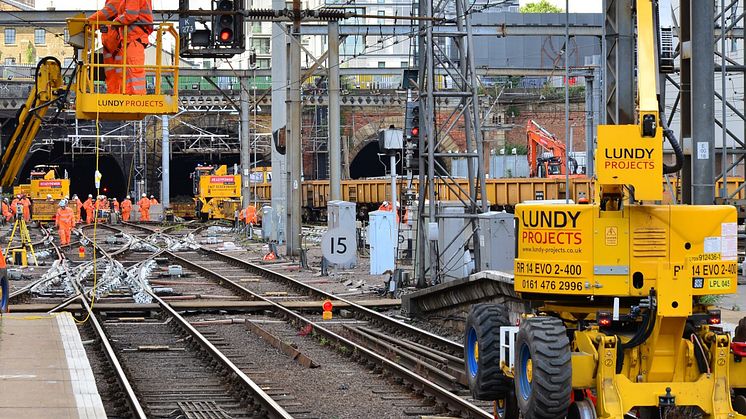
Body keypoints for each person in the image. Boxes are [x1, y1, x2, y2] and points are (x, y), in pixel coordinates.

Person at [113, 0, 153, 95]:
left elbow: (130, 15)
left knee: (135, 72)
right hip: (132, 39)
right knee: (129, 73)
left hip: (135, 38)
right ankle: (129, 98)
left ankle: (138, 101)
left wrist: (116, 21)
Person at [88, 0, 123, 94]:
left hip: (119, 45)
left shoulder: (116, 1)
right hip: (109, 46)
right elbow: (104, 18)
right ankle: (113, 98)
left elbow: (104, 14)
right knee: (111, 75)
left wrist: (88, 22)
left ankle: (119, 98)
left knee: (120, 75)